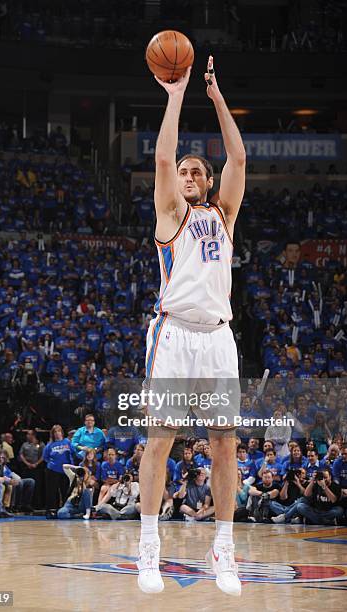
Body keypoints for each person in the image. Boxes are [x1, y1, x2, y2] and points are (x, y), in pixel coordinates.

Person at [137, 55, 246, 595]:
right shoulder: (169, 216)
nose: (187, 176)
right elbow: (160, 158)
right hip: (175, 334)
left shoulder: (223, 216)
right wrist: (175, 94)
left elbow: (240, 158)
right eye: (183, 172)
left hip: (219, 336)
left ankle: (223, 547)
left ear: (206, 182)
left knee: (224, 442)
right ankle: (149, 546)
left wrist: (216, 95)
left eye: (196, 171)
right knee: (161, 438)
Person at [43, 424, 76, 517]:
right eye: (55, 432)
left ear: (62, 432)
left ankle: (65, 510)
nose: (57, 433)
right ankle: (51, 510)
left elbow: (73, 452)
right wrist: (52, 463)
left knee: (65, 490)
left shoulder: (67, 442)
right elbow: (45, 457)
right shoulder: (49, 445)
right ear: (53, 434)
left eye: (59, 431)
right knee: (52, 491)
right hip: (52, 470)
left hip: (66, 470)